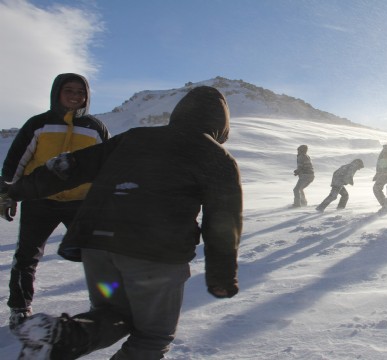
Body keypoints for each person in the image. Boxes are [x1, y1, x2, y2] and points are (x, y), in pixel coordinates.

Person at [0, 86, 242, 359]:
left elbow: (71, 166)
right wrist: (221, 276)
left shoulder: (136, 137)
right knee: (153, 336)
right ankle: (59, 337)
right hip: (154, 254)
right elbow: (223, 222)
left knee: (114, 314)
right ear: (222, 124)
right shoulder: (217, 158)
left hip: (97, 245)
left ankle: (61, 336)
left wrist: (14, 191)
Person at [1, 73, 109, 330]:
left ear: (87, 96)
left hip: (80, 202)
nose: (75, 95)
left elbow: (106, 165)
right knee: (26, 256)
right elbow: (17, 161)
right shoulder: (39, 124)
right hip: (40, 200)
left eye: (80, 92)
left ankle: (106, 303)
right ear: (57, 92)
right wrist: (7, 194)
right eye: (68, 90)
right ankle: (19, 307)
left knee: (98, 255)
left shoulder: (95, 128)